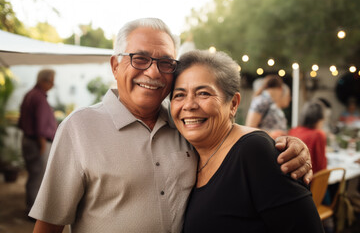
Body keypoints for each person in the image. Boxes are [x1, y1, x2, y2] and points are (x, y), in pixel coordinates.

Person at [30, 18, 313, 233]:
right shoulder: (79, 128)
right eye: (139, 58)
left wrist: (287, 145)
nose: (152, 71)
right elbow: (48, 226)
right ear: (116, 65)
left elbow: (234, 143)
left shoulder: (183, 128)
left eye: (165, 63)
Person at [170, 50, 324, 232]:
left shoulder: (254, 152)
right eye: (179, 95)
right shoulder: (187, 151)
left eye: (203, 93)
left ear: (233, 104)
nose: (189, 105)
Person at [18, 69, 57, 216]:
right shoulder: (39, 98)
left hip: (29, 140)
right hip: (37, 142)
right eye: (51, 81)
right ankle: (33, 212)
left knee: (34, 175)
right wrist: (42, 145)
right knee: (38, 176)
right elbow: (40, 126)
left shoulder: (30, 94)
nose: (53, 84)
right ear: (44, 81)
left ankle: (31, 208)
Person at [289, 101, 327, 174]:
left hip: (293, 177)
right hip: (310, 179)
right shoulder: (318, 134)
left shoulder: (293, 130)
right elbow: (321, 166)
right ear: (320, 119)